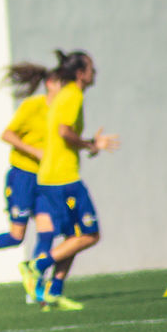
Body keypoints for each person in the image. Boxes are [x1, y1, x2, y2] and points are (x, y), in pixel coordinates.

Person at [17, 50, 118, 310]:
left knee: (74, 236)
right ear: (81, 73)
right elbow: (64, 132)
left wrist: (88, 146)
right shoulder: (72, 95)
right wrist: (90, 143)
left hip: (52, 176)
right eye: (91, 68)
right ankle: (34, 266)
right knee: (91, 234)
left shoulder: (65, 95)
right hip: (63, 178)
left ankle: (54, 291)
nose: (95, 73)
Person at [0, 64, 62, 285]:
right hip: (23, 177)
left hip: (45, 180)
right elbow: (7, 134)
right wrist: (34, 151)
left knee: (47, 233)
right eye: (63, 84)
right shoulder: (32, 107)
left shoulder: (63, 111)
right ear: (50, 84)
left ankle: (37, 283)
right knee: (16, 237)